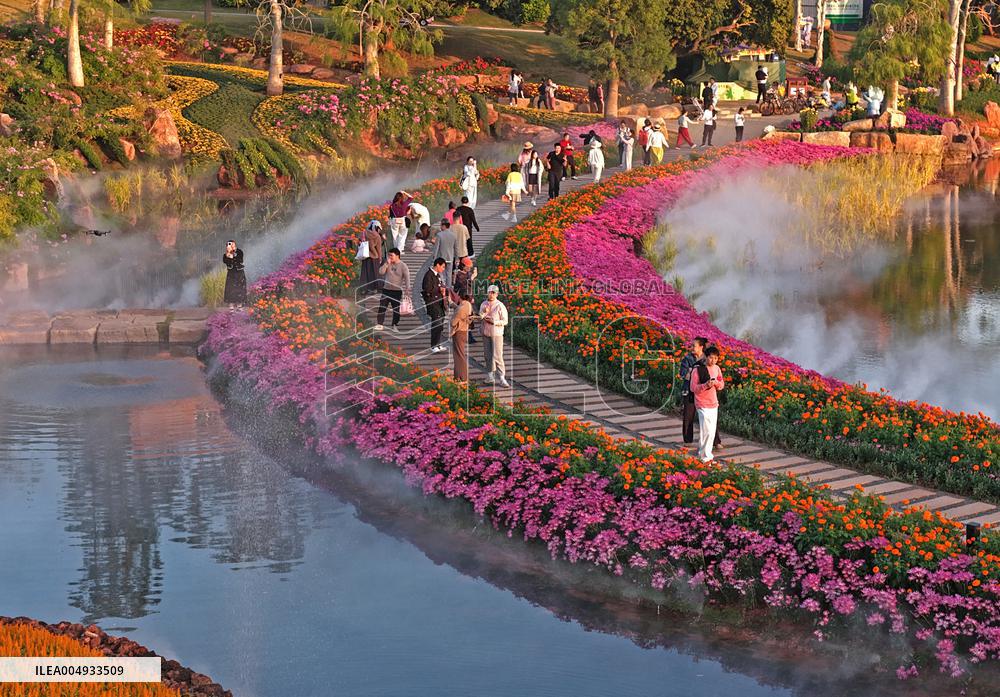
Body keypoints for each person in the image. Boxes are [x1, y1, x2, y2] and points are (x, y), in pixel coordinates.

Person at [679, 337, 719, 449]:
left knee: (710, 418)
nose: (691, 348)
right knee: (688, 416)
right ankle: (688, 440)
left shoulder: (707, 358)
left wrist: (692, 372)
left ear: (701, 347)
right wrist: (695, 375)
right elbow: (683, 375)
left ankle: (716, 441)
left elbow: (714, 374)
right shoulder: (687, 359)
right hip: (690, 391)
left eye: (694, 346)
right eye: (691, 346)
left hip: (706, 393)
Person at [690, 345, 724, 462]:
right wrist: (706, 385)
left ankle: (704, 454)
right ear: (706, 357)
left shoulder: (717, 368)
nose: (713, 360)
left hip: (713, 403)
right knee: (707, 431)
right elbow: (693, 388)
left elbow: (721, 384)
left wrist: (715, 383)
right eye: (711, 357)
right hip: (702, 403)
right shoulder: (697, 370)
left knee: (711, 432)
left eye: (716, 358)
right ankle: (705, 458)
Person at [479, 284, 509, 387]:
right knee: (487, 355)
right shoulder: (484, 304)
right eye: (490, 292)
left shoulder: (500, 305)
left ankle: (502, 378)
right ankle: (490, 376)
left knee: (497, 356)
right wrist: (484, 312)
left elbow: (505, 321)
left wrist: (494, 322)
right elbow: (480, 317)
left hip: (497, 334)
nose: (491, 294)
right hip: (486, 333)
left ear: (497, 294)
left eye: (493, 293)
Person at [375, 248, 409, 331]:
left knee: (396, 309)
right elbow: (381, 272)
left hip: (396, 291)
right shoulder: (387, 263)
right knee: (382, 307)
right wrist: (386, 264)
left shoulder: (403, 265)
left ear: (397, 256)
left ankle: (394, 324)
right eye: (389, 255)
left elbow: (407, 278)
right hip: (386, 289)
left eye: (391, 255)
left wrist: (407, 288)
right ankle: (380, 324)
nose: (390, 257)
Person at [422, 257, 448, 352]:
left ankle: (438, 344)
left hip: (439, 302)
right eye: (443, 267)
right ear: (437, 265)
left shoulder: (437, 275)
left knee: (440, 323)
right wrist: (438, 289)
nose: (443, 269)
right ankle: (434, 346)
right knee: (436, 324)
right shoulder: (428, 275)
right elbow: (426, 289)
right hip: (432, 302)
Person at [450, 292, 475, 383]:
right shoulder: (468, 305)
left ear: (459, 296)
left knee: (459, 355)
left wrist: (453, 317)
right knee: (460, 354)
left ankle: (462, 377)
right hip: (464, 331)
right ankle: (458, 377)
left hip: (459, 332)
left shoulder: (461, 308)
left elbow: (453, 322)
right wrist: (454, 305)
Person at [359, 220, 384, 295]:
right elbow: (379, 249)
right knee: (375, 273)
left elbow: (359, 242)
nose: (379, 230)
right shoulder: (377, 236)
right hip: (374, 257)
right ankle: (375, 289)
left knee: (365, 273)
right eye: (379, 228)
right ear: (376, 227)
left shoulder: (363, 233)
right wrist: (380, 258)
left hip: (366, 256)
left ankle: (364, 289)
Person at [432, 219, 459, 288]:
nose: (440, 227)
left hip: (441, 258)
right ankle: (448, 288)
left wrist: (434, 258)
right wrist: (457, 258)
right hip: (450, 258)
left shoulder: (439, 235)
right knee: (449, 274)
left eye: (441, 225)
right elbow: (456, 248)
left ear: (444, 226)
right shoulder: (453, 235)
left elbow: (436, 248)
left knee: (441, 274)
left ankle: (442, 287)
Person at [223, 240, 246, 309]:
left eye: (231, 244)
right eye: (228, 244)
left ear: (235, 244)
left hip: (239, 273)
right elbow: (226, 262)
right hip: (231, 274)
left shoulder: (239, 252)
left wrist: (233, 253)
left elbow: (240, 260)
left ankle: (239, 305)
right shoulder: (225, 255)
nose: (230, 245)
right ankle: (231, 306)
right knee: (230, 289)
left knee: (240, 288)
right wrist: (229, 255)